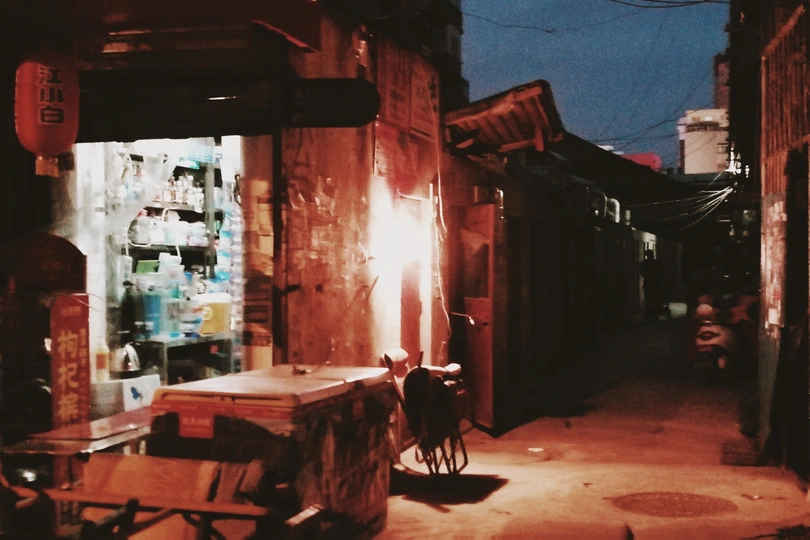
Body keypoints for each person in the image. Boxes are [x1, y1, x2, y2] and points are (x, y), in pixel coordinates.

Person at [640, 249, 668, 321]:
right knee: (656, 300)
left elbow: (642, 272)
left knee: (648, 300)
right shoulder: (657, 263)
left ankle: (649, 317)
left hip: (648, 283)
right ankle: (656, 316)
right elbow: (663, 272)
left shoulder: (645, 263)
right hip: (656, 283)